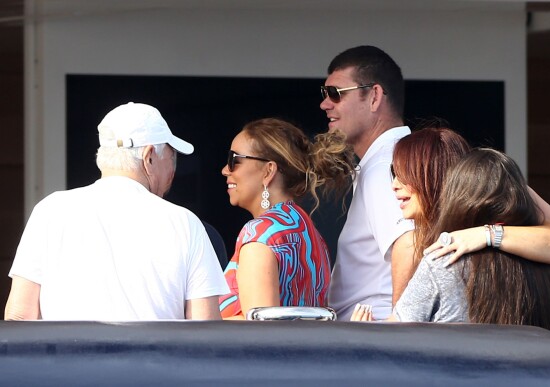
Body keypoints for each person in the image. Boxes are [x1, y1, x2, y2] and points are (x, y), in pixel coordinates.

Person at [4, 102, 229, 320]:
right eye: (171, 158)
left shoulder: (50, 211)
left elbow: (21, 315)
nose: (173, 171)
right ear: (149, 157)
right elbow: (204, 326)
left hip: (65, 358)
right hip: (153, 359)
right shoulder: (184, 223)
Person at [352, 128, 550, 328]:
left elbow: (399, 333)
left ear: (441, 179)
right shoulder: (547, 268)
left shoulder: (442, 259)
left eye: (405, 174)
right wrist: (504, 182)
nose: (394, 184)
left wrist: (365, 332)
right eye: (393, 173)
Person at [391, 148, 550, 331]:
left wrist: (359, 327)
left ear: (458, 197)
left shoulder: (442, 261)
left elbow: (396, 334)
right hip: (528, 360)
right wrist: (507, 179)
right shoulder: (549, 264)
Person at [218, 118, 355, 319]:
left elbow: (257, 334)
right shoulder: (309, 233)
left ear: (268, 171)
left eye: (234, 160)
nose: (225, 170)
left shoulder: (260, 234)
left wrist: (201, 326)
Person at [321, 45, 414, 320]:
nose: (325, 104)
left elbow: (408, 243)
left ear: (374, 96)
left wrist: (398, 329)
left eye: (335, 94)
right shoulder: (399, 155)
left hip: (376, 331)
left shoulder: (385, 162)